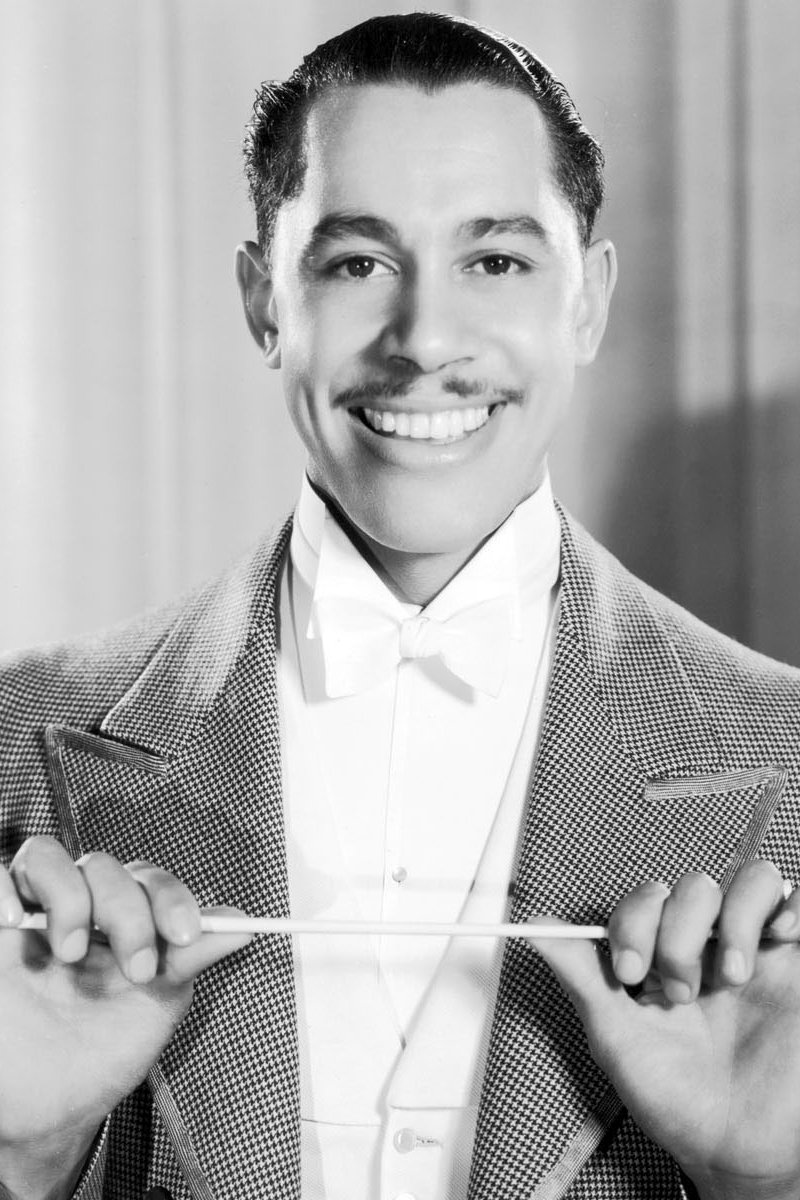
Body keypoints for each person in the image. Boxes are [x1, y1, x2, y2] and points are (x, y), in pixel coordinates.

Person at [2, 11, 800, 1200]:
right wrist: (23, 1159)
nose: (424, 340)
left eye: (496, 262)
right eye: (354, 263)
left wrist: (767, 1186)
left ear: (585, 301)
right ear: (263, 302)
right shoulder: (14, 740)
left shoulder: (790, 756)